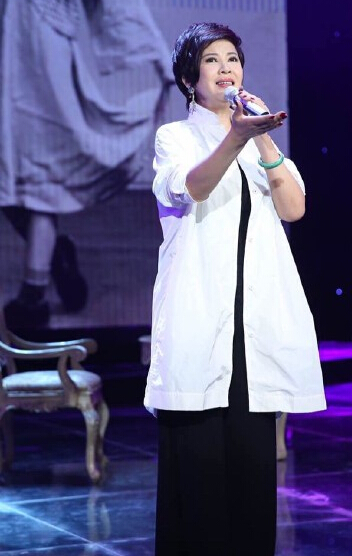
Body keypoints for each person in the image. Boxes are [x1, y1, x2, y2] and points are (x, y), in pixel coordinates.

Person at [144, 22, 327, 556]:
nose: (226, 68)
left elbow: (294, 208)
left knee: (251, 475)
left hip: (253, 330)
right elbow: (193, 188)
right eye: (211, 60)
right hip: (201, 324)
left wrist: (261, 134)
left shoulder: (256, 142)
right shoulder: (175, 138)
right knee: (198, 480)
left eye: (233, 59)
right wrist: (237, 136)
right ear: (189, 78)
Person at [0, 0, 173, 328]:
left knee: (38, 175)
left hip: (39, 53)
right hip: (7, 40)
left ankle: (33, 291)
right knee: (7, 180)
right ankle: (55, 254)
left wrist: (154, 51)